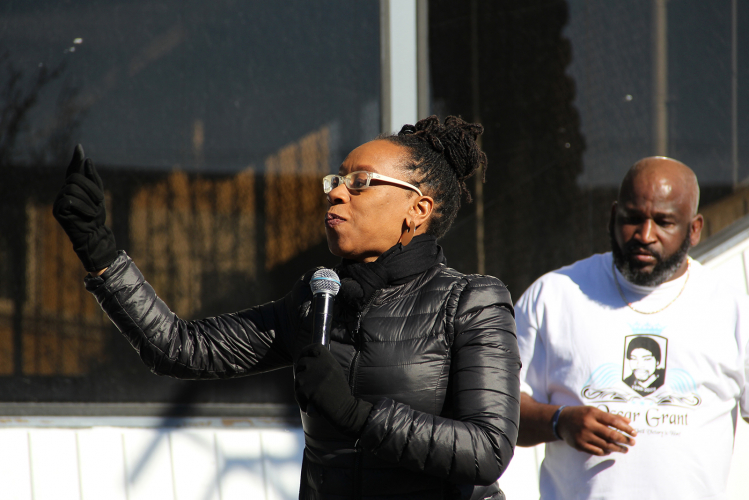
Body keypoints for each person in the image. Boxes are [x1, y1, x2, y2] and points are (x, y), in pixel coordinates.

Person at [52, 116, 521, 500]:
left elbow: (488, 450)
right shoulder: (317, 299)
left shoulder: (470, 301)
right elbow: (179, 348)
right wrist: (100, 252)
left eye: (360, 182)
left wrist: (356, 415)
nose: (336, 192)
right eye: (337, 180)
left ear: (417, 210)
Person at [515, 156, 749, 499]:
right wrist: (559, 421)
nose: (645, 235)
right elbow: (496, 411)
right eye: (632, 219)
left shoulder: (732, 309)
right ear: (613, 217)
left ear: (695, 229)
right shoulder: (555, 296)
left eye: (664, 222)